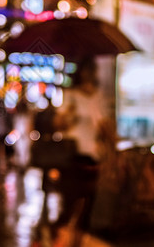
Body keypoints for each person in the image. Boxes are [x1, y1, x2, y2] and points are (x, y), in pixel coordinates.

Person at [51, 57, 113, 247]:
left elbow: (105, 127)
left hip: (93, 158)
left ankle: (76, 242)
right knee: (70, 205)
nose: (89, 75)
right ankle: (55, 238)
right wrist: (69, 114)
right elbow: (58, 125)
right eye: (86, 71)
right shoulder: (71, 96)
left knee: (87, 209)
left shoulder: (98, 97)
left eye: (91, 71)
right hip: (73, 158)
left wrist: (108, 135)